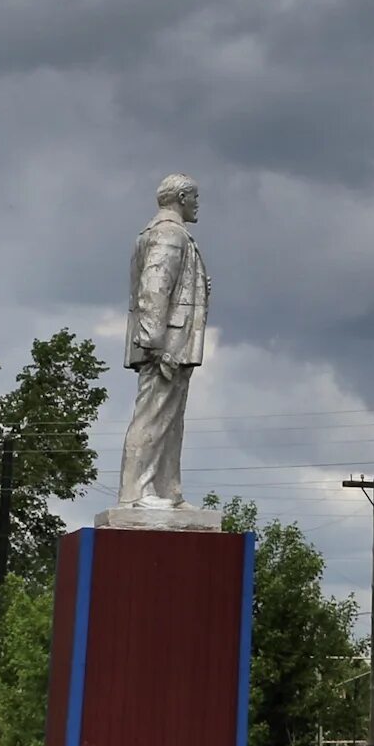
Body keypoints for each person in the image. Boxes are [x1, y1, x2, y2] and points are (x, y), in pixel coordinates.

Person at [118, 173, 210, 508]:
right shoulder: (170, 234)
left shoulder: (159, 233)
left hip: (170, 344)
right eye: (195, 197)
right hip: (166, 346)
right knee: (153, 417)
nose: (198, 204)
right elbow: (154, 290)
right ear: (182, 197)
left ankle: (167, 487)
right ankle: (139, 492)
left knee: (170, 420)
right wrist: (157, 345)